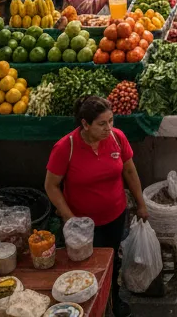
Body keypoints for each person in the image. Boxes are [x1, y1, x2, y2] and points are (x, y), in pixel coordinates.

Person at [46, 96, 149, 311]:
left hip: (115, 215)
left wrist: (141, 203)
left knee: (113, 261)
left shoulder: (117, 138)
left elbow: (130, 170)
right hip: (83, 225)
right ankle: (89, 306)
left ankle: (114, 298)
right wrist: (69, 218)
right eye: (102, 124)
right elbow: (51, 186)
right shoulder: (66, 147)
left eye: (111, 121)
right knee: (87, 266)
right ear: (85, 124)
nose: (108, 128)